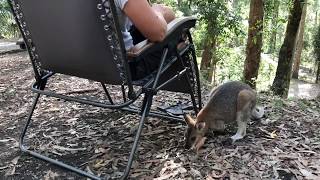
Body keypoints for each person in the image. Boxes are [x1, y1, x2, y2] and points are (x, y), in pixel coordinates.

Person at [113, 0, 176, 80]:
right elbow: (158, 34)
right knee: (176, 30)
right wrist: (158, 11)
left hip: (94, 65)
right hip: (126, 67)